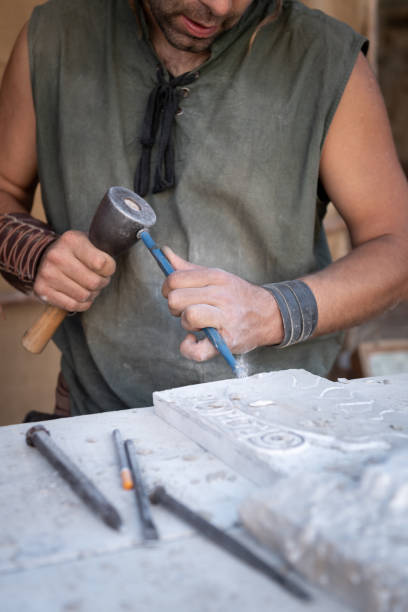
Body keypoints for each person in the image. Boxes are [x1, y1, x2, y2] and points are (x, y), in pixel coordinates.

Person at [0, 0, 407, 416]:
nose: (219, 6)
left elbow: (396, 246)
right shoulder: (54, 38)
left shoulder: (323, 57)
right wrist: (31, 252)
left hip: (276, 419)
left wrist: (271, 313)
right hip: (96, 412)